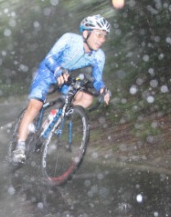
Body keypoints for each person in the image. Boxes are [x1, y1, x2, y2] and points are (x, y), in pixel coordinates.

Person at [11, 14, 112, 164]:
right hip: (48, 72)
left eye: (104, 36)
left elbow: (97, 80)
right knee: (36, 105)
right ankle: (20, 146)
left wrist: (103, 89)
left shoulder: (99, 56)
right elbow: (49, 58)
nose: (101, 40)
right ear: (86, 33)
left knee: (87, 97)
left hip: (65, 76)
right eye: (98, 34)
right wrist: (57, 70)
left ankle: (55, 119)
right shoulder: (69, 39)